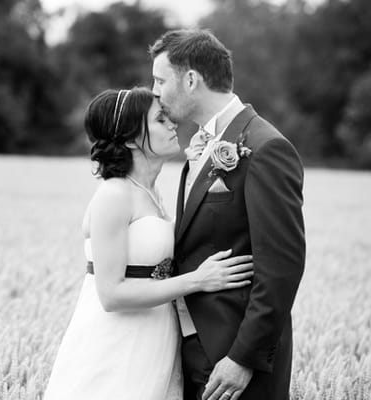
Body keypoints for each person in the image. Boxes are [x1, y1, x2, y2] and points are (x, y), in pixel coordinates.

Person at [43, 87, 254, 400]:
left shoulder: (150, 192)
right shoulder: (114, 195)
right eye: (160, 120)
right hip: (115, 344)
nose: (172, 126)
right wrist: (197, 280)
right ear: (130, 138)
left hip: (154, 338)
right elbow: (111, 294)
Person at [150, 29, 306, 400]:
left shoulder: (265, 148)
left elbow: (282, 266)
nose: (154, 91)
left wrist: (243, 358)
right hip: (189, 351)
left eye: (160, 80)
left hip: (235, 363)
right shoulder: (202, 144)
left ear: (191, 80)